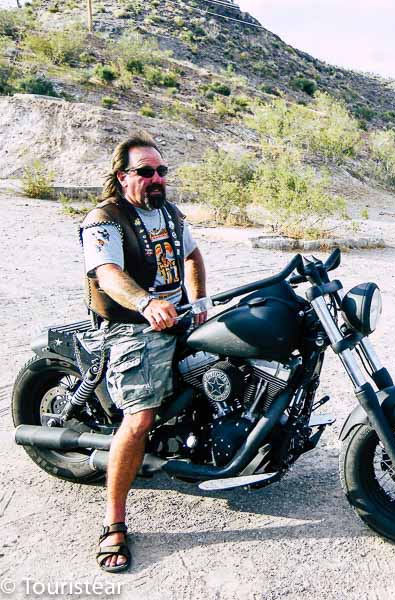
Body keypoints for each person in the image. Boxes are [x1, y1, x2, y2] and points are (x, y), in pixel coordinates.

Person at [79, 132, 208, 572]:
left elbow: (192, 256)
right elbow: (108, 273)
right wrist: (146, 303)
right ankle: (114, 522)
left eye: (161, 171)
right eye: (146, 172)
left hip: (177, 317)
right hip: (132, 326)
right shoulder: (106, 219)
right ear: (123, 176)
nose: (157, 179)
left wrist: (201, 302)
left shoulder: (169, 213)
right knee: (140, 418)